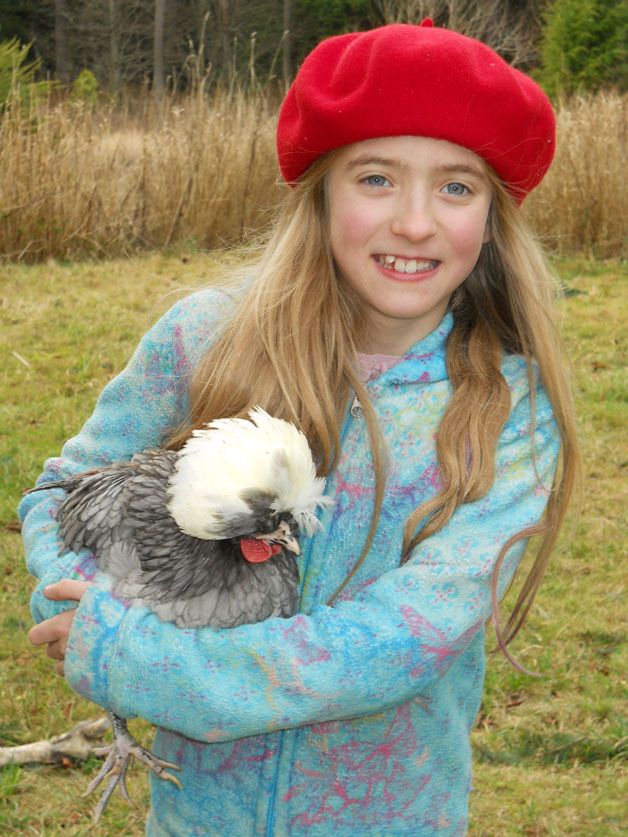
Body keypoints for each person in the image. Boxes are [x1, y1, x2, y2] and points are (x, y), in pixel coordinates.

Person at [22, 20, 580, 837]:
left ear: (493, 219)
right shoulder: (203, 336)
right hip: (199, 815)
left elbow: (402, 638)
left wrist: (143, 662)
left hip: (394, 816)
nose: (416, 222)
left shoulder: (507, 412)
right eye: (377, 178)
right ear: (319, 191)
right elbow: (62, 491)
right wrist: (79, 597)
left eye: (457, 187)